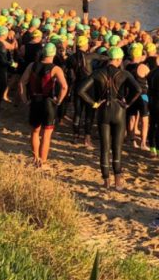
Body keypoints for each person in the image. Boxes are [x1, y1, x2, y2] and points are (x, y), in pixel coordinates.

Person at [77, 47, 139, 188]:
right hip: (119, 111)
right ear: (118, 59)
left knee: (104, 148)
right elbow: (138, 90)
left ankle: (106, 181)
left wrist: (94, 103)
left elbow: (81, 90)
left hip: (103, 110)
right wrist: (127, 102)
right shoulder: (125, 74)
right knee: (117, 147)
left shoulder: (98, 73)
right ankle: (118, 181)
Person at [18, 42, 67, 167]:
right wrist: (59, 101)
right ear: (54, 54)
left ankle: (35, 158)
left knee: (35, 131)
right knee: (46, 134)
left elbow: (22, 83)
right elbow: (64, 87)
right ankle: (43, 160)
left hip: (35, 100)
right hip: (48, 103)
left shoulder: (32, 65)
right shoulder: (55, 68)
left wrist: (24, 99)